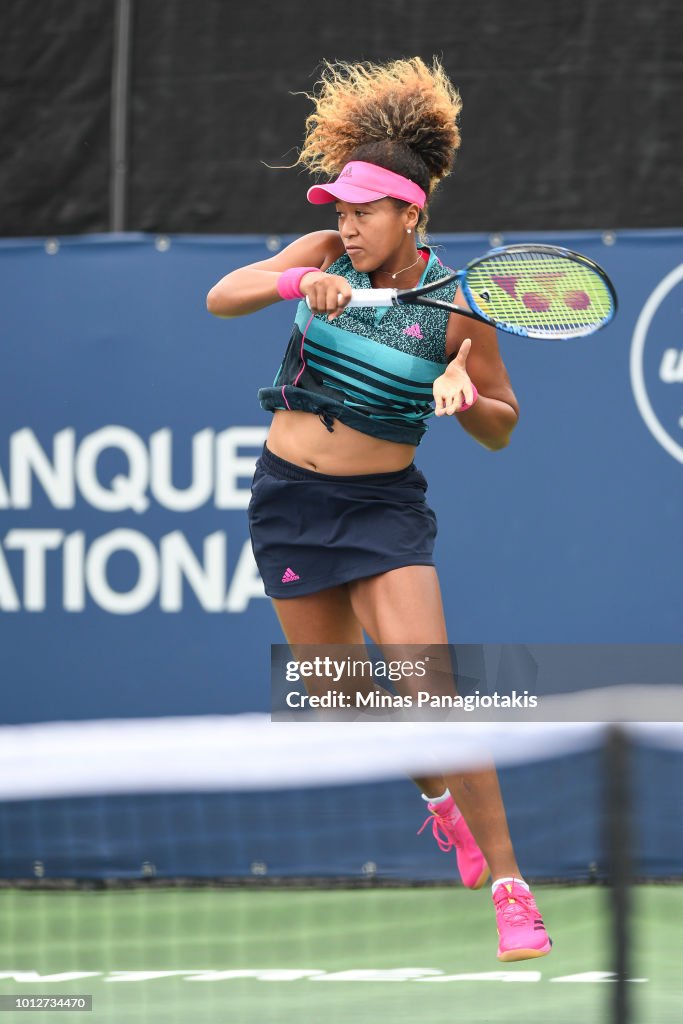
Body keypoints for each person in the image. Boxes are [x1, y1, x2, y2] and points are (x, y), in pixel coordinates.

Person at [207, 57, 551, 962]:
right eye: (340, 210)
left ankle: (513, 892)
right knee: (339, 705)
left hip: (382, 509)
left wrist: (466, 402)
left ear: (410, 214)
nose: (345, 226)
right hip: (286, 501)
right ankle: (441, 805)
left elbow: (504, 425)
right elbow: (219, 297)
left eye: (363, 213)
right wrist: (294, 283)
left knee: (431, 692)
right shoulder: (321, 255)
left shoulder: (459, 309)